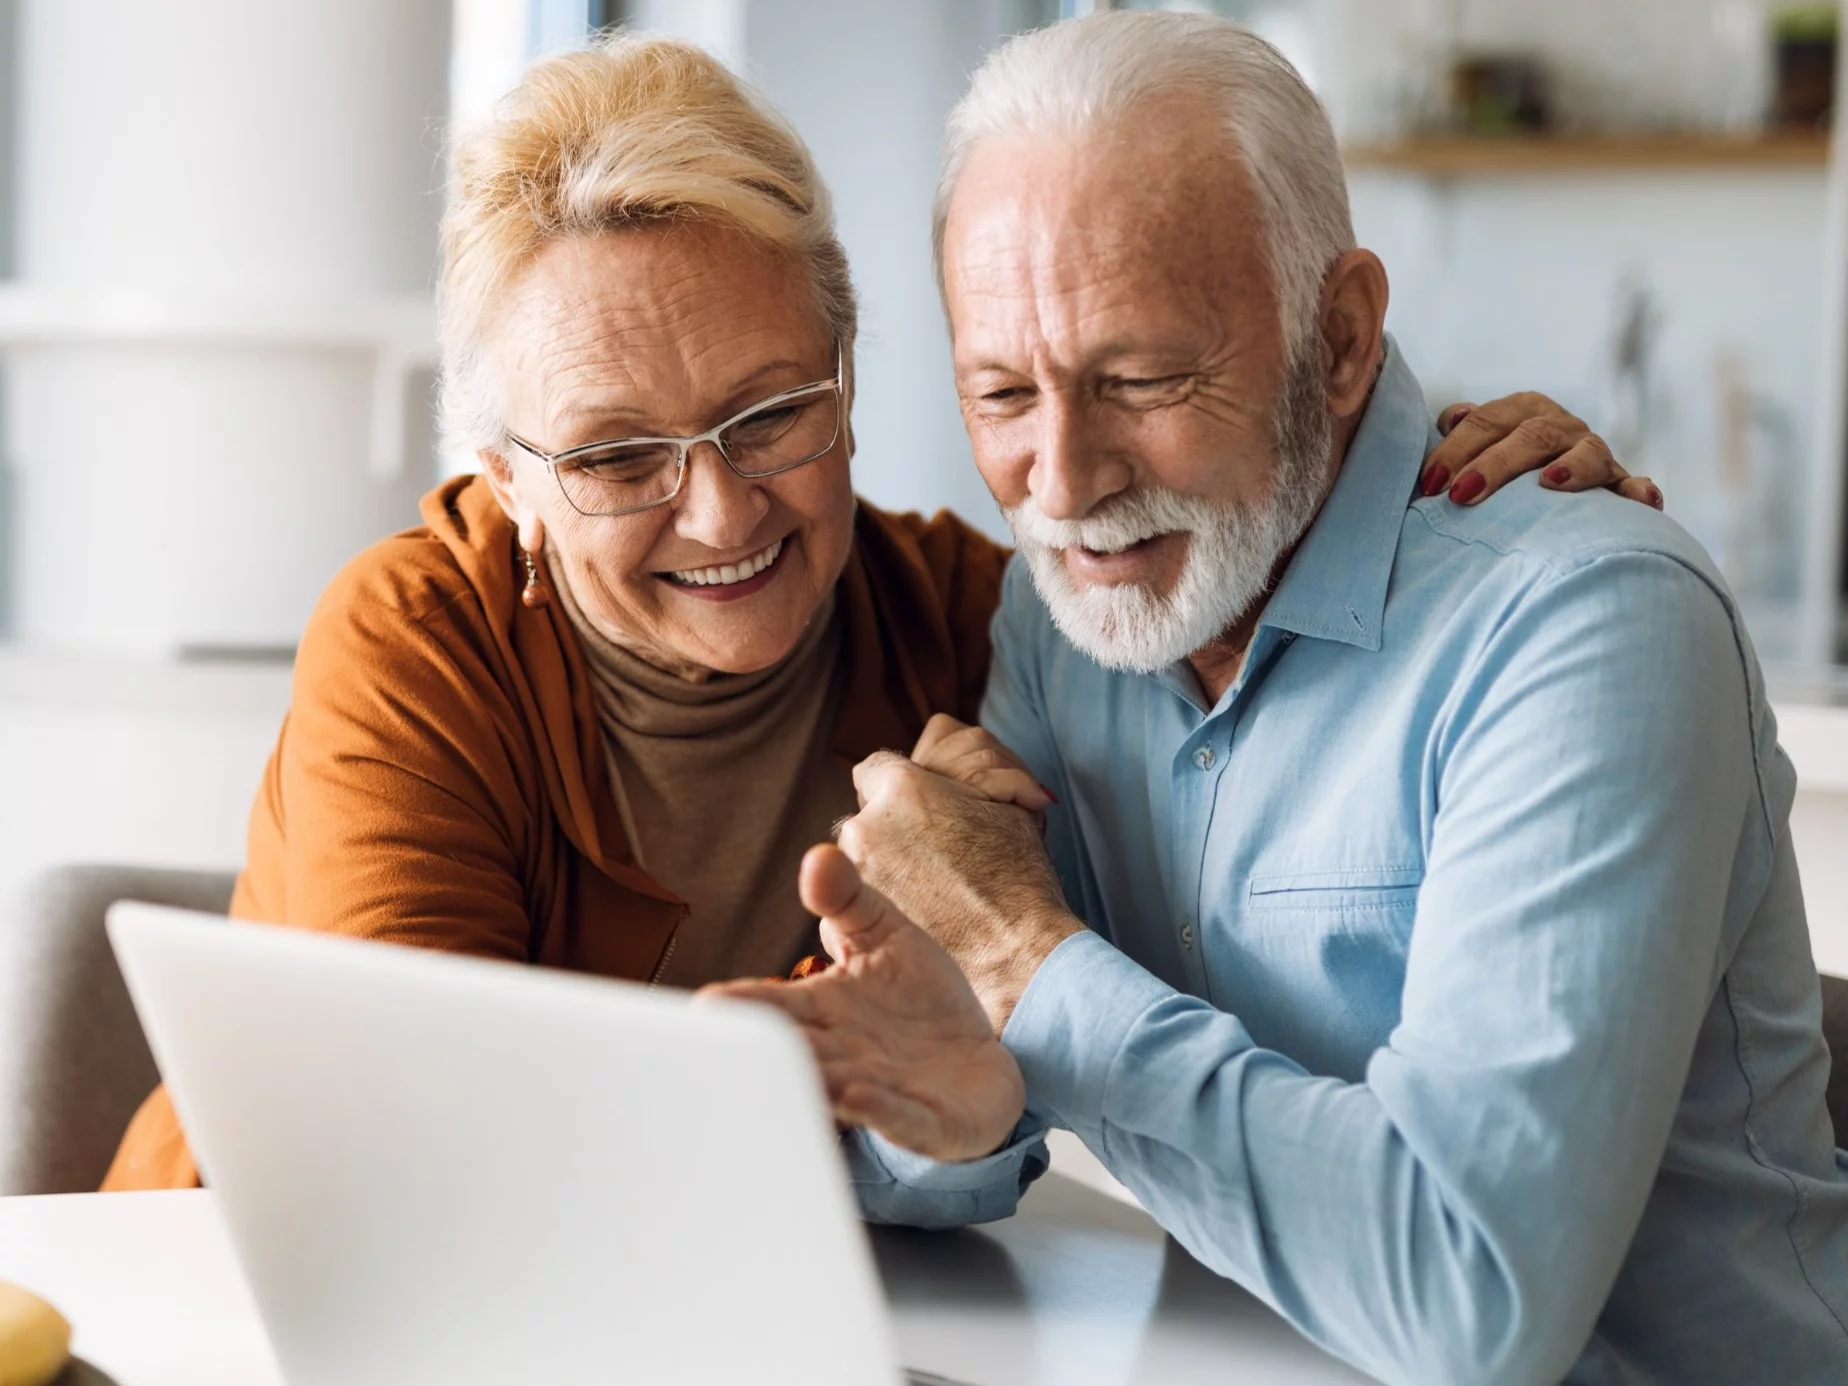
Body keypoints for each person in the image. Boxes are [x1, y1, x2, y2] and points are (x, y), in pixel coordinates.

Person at [103, 32, 1649, 1198]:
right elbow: (419, 1151)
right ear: (505, 477)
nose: (722, 513)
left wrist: (1420, 458)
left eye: (771, 412)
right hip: (243, 1288)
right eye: (618, 457)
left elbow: (1250, 549)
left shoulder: (982, 625)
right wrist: (852, 1026)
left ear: (849, 377)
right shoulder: (416, 640)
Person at [712, 11, 1848, 1386]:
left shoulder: (1586, 620)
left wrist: (1027, 961)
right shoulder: (1072, 616)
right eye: (1003, 392)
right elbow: (970, 1083)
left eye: (1142, 379)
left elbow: (1471, 1299)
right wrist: (941, 1108)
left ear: (1344, 336)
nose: (1062, 485)